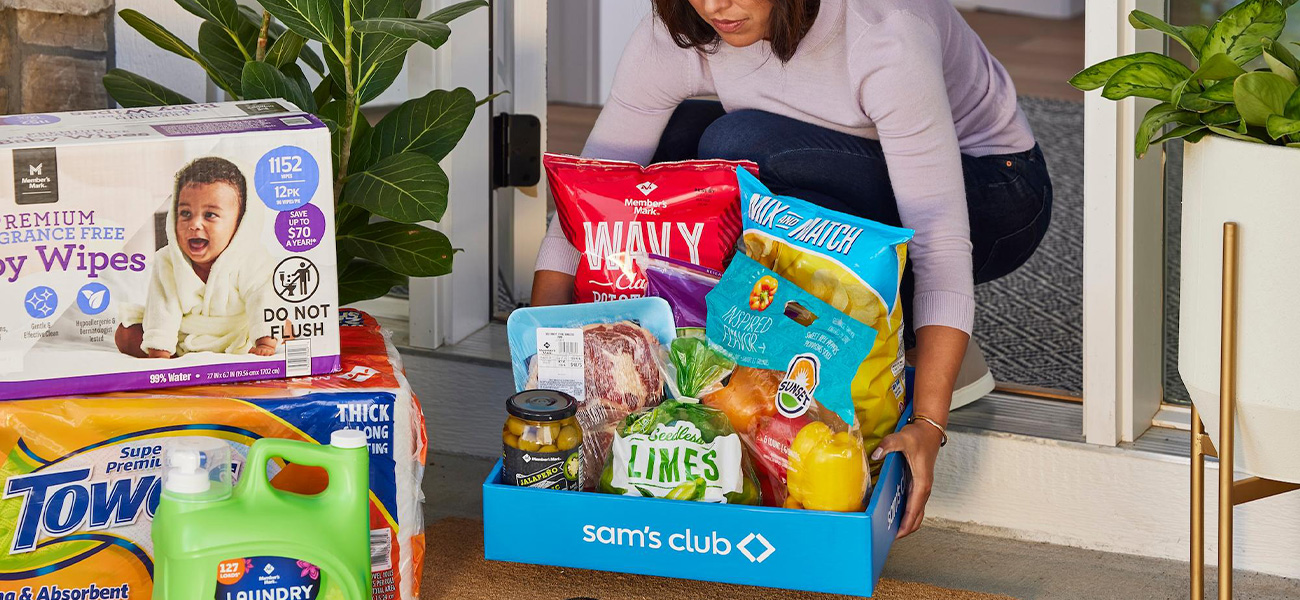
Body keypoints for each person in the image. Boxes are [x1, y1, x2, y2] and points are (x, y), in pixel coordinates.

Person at [531, 0, 1055, 537]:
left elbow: (943, 239)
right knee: (676, 143)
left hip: (995, 194)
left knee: (738, 144)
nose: (714, 6)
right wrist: (540, 361)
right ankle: (810, 340)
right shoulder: (688, 25)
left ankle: (916, 340)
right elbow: (596, 190)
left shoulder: (887, 32)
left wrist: (927, 423)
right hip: (837, 176)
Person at [115, 157, 281, 359]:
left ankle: (267, 336)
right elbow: (162, 307)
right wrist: (160, 352)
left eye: (210, 215)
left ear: (240, 223)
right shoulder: (168, 260)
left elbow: (262, 299)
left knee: (280, 324)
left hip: (239, 334)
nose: (194, 224)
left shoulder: (252, 259)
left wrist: (264, 342)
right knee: (125, 334)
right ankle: (177, 356)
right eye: (185, 213)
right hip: (183, 335)